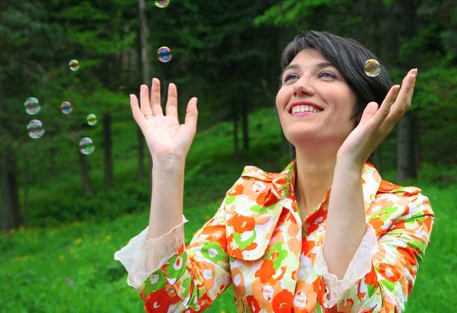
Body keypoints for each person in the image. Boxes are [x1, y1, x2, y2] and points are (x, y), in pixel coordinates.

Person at [114, 30, 435, 312]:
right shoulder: (248, 198)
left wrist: (350, 165)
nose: (300, 87)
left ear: (365, 107)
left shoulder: (403, 209)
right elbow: (171, 302)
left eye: (325, 75)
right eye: (290, 78)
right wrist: (168, 166)